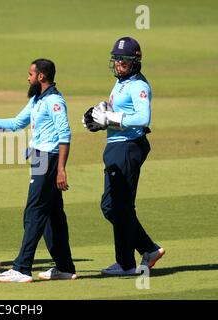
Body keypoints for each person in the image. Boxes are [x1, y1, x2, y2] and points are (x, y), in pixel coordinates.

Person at [0, 59, 77, 282]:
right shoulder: (38, 99)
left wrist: (61, 170)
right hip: (41, 159)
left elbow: (65, 136)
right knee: (52, 215)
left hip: (48, 161)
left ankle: (22, 268)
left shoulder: (55, 101)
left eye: (30, 74)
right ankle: (65, 267)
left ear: (41, 76)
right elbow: (17, 123)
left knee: (33, 213)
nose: (27, 78)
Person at [87, 36, 165, 276]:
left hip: (128, 147)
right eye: (116, 59)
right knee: (111, 205)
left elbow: (142, 119)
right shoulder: (122, 82)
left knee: (120, 206)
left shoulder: (139, 86)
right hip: (117, 146)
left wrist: (111, 119)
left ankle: (126, 264)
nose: (118, 64)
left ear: (135, 62)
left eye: (123, 60)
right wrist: (100, 121)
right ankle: (148, 249)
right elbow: (122, 113)